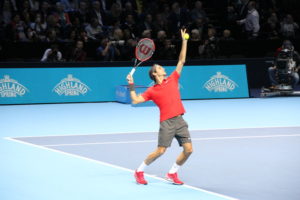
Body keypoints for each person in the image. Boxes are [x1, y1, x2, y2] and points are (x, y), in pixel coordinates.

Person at [126, 29, 193, 185]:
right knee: (161, 151)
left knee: (189, 150)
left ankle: (172, 173)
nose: (163, 69)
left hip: (180, 120)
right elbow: (135, 100)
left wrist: (184, 41)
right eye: (160, 68)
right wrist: (131, 84)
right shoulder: (151, 91)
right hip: (167, 123)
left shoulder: (173, 79)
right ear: (155, 74)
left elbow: (181, 60)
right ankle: (139, 171)